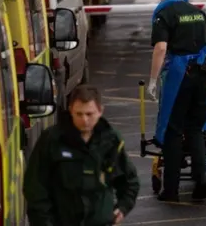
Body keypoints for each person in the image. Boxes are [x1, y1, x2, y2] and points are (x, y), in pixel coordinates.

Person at [23, 84, 139, 226]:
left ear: (100, 111)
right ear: (71, 110)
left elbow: (129, 180)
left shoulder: (111, 140)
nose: (84, 120)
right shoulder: (52, 140)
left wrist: (122, 207)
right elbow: (35, 187)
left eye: (89, 114)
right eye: (79, 114)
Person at [147, 0, 206, 202]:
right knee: (195, 129)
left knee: (173, 131)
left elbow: (160, 48)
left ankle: (171, 190)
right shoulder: (198, 12)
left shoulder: (164, 14)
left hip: (180, 76)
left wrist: (152, 80)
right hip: (203, 75)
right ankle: (202, 179)